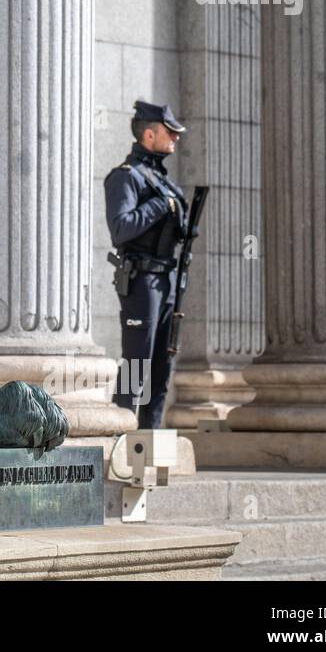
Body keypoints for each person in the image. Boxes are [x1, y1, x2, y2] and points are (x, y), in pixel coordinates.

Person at [104, 100, 188, 429]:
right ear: (149, 135)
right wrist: (158, 206)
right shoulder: (125, 178)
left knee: (161, 365)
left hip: (166, 283)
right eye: (171, 132)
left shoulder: (162, 180)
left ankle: (150, 442)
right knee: (137, 363)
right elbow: (120, 229)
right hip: (141, 282)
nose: (176, 139)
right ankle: (118, 435)